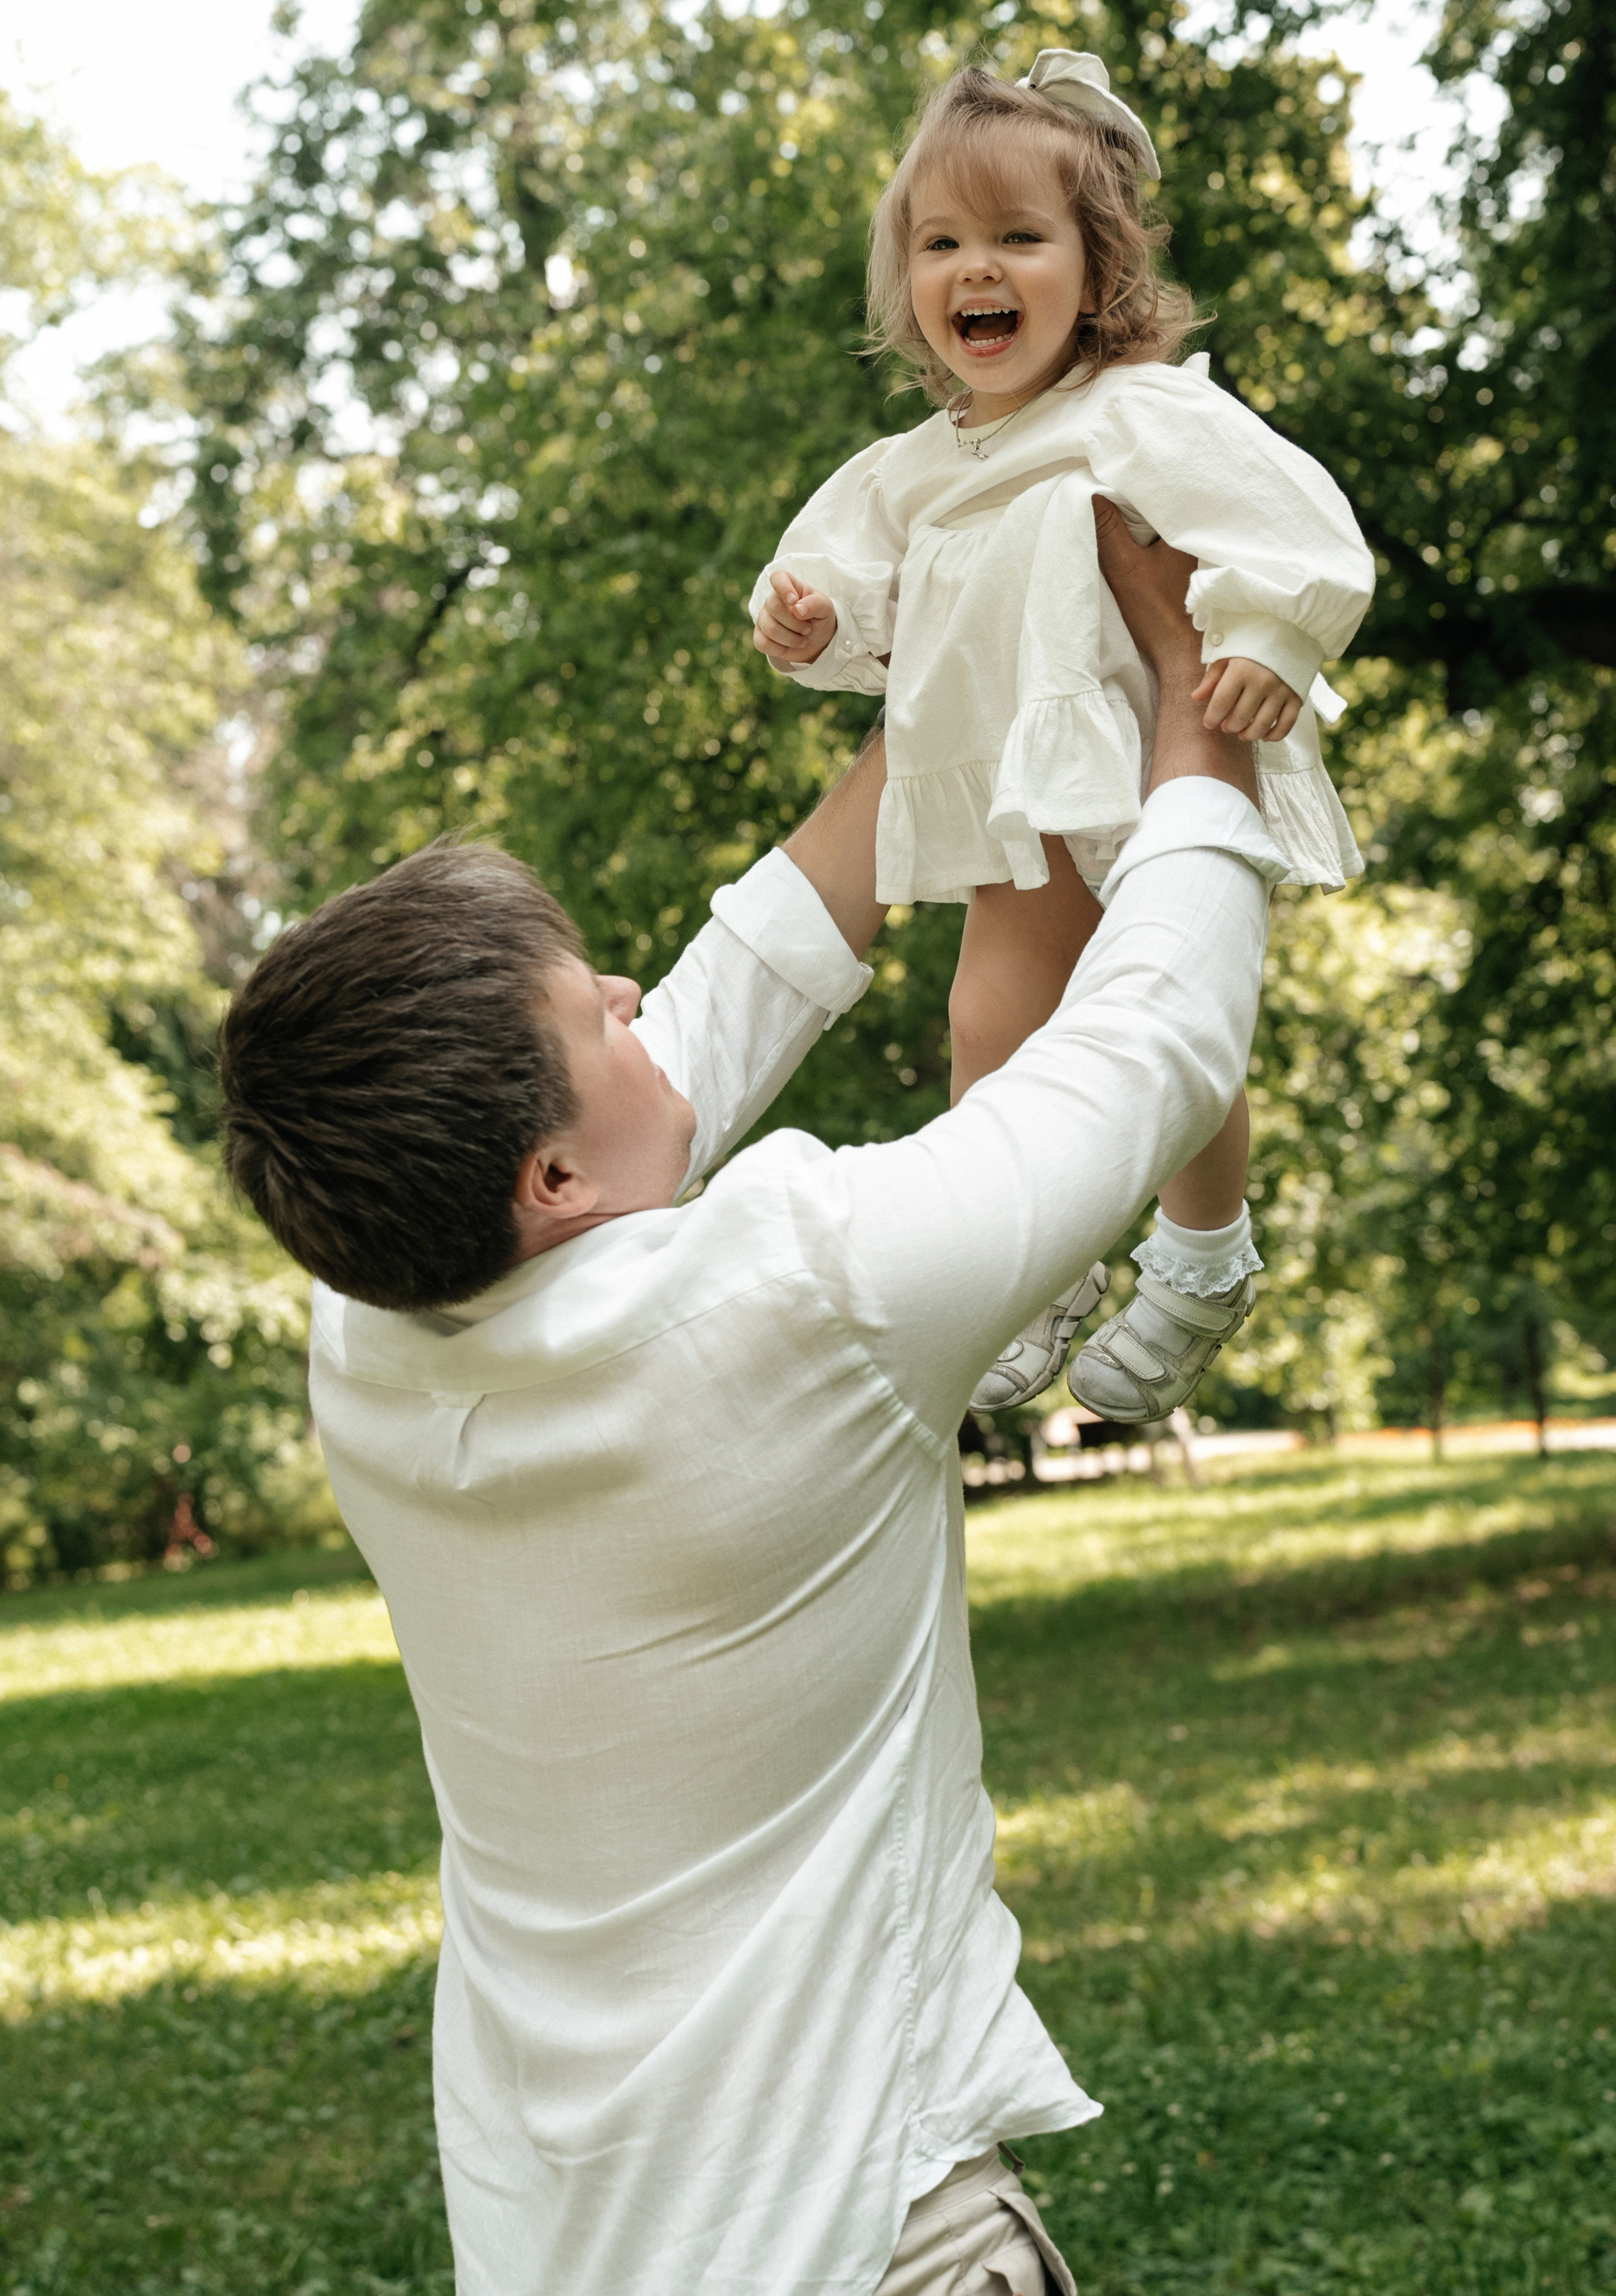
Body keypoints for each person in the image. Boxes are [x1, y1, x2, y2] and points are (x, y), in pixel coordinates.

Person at [217, 514, 1291, 2296]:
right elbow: (1153, 1037)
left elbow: (738, 984)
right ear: (552, 1170)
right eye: (598, 1010)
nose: (644, 996)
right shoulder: (804, 1293)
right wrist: (1194, 704)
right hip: (876, 2236)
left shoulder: (370, 1343)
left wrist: (968, 635)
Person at [751, 52, 1374, 1423]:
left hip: (1158, 765)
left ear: (1092, 275)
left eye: (1017, 239)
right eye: (942, 243)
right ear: (908, 283)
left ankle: (1203, 1261)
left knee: (1171, 1026)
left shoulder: (1134, 413)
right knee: (986, 1031)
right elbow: (839, 584)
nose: (977, 268)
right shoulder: (912, 466)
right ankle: (1026, 1270)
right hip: (1013, 801)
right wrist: (805, 624)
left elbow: (1298, 524)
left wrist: (1270, 637)